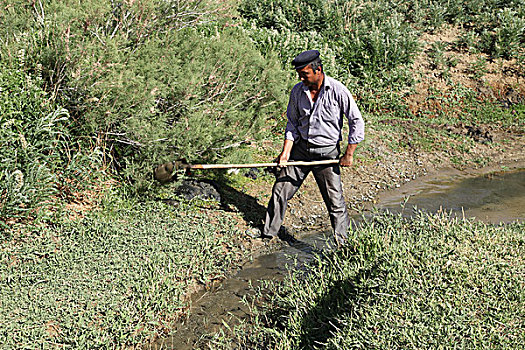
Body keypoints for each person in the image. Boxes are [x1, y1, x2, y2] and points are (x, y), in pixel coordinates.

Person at [261, 49, 365, 246]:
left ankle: (343, 245)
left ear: (318, 70)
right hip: (300, 150)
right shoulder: (297, 91)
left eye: (305, 74)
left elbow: (356, 121)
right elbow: (292, 123)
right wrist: (285, 153)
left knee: (335, 202)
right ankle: (268, 233)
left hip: (326, 154)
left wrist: (349, 153)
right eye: (299, 74)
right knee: (280, 189)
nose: (301, 78)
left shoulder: (337, 90)